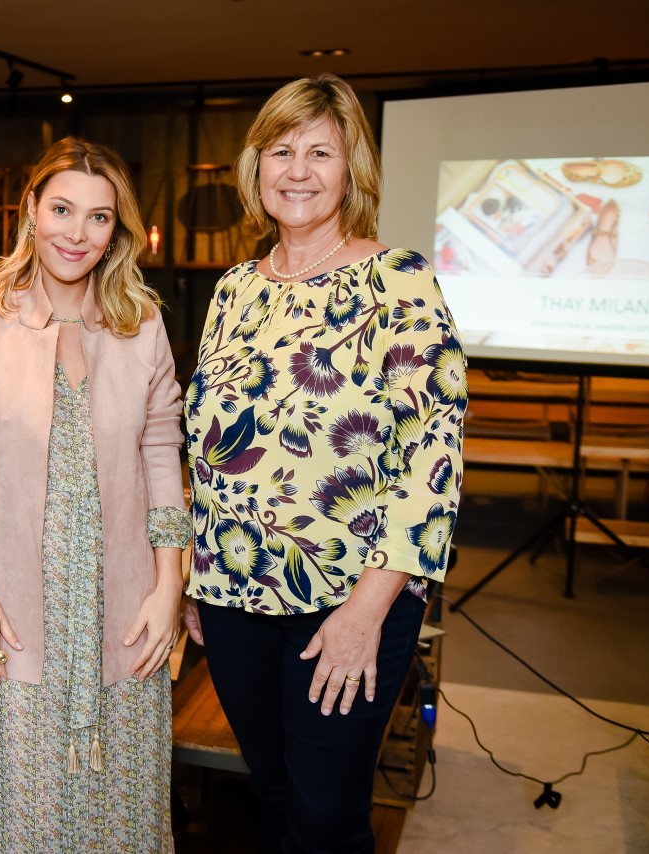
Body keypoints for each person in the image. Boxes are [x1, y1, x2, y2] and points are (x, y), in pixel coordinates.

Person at [182, 73, 467, 854]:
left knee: (326, 818)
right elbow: (210, 446)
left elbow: (430, 463)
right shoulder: (236, 289)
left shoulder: (400, 282)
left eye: (320, 151)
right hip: (234, 594)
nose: (298, 170)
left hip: (345, 603)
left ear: (352, 172)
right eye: (281, 150)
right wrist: (198, 576)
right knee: (270, 794)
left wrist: (367, 613)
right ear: (256, 166)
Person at [0, 137, 191, 852]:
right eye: (63, 210)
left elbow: (163, 454)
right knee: (27, 816)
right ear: (31, 212)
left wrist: (169, 586)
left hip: (126, 607)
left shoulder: (144, 326)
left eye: (100, 217)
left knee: (125, 812)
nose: (77, 234)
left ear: (119, 231)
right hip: (15, 606)